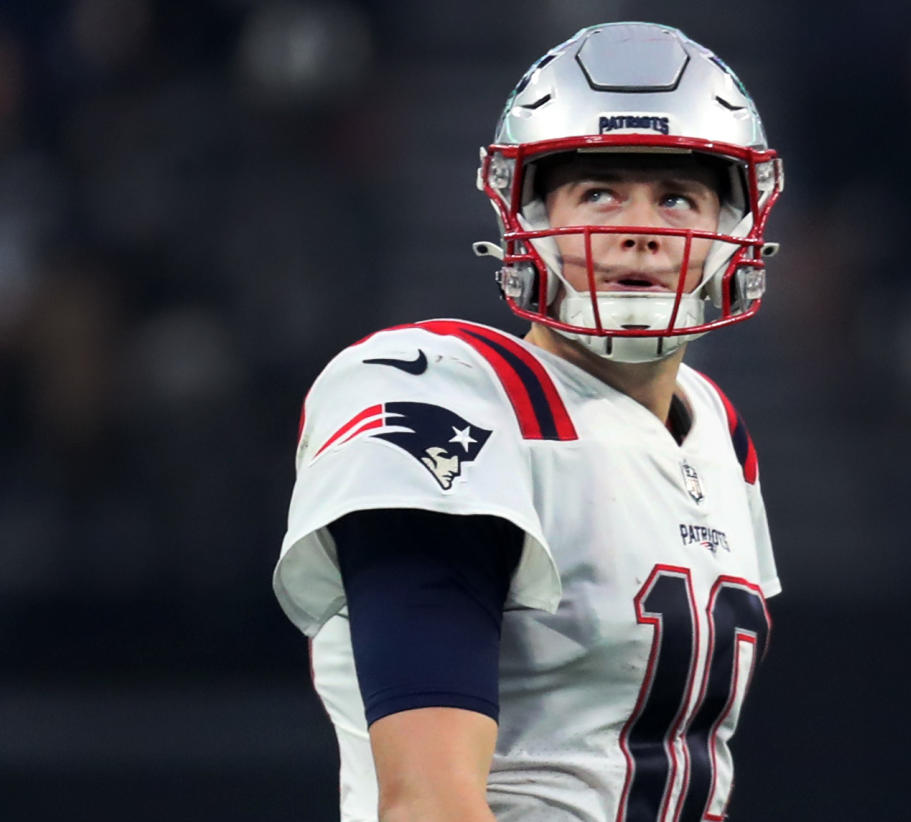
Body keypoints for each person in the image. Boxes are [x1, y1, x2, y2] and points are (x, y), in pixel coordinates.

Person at [273, 21, 784, 822]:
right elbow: (428, 807)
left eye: (678, 197)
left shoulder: (716, 429)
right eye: (599, 191)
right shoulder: (452, 394)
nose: (639, 227)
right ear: (529, 217)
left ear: (733, 232)